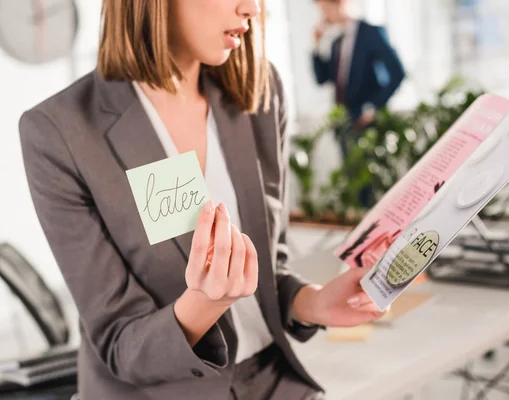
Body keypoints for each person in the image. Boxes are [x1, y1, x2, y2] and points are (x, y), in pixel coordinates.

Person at [19, 1, 386, 399]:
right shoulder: (60, 132)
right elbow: (119, 342)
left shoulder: (260, 91)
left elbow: (268, 267)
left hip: (274, 382)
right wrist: (203, 304)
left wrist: (313, 303)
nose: (252, 8)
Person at [312, 0, 405, 146]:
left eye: (326, 10)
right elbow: (322, 79)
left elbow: (397, 72)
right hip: (344, 123)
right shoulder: (337, 42)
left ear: (341, 4)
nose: (324, 16)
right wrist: (317, 46)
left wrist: (372, 107)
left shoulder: (370, 32)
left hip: (367, 123)